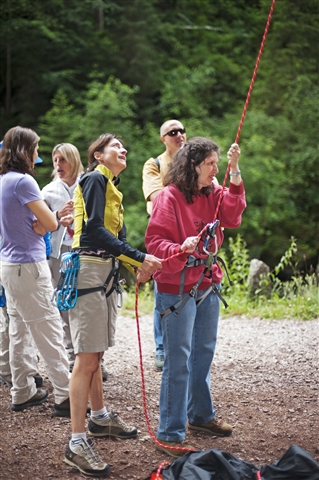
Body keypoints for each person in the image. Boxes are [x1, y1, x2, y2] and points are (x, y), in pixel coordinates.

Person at [64, 133, 162, 477]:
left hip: (104, 273)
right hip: (89, 270)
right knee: (87, 357)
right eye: (115, 146)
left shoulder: (112, 187)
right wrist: (139, 257)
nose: (123, 150)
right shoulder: (93, 178)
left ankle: (100, 418)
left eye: (124, 147)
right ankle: (76, 442)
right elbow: (93, 229)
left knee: (97, 353)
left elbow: (116, 238)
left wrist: (140, 265)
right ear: (98, 154)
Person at [145, 137, 246, 457]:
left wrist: (234, 172)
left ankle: (200, 416)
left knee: (202, 353)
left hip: (207, 283)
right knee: (178, 361)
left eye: (218, 164)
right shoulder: (169, 197)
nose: (216, 169)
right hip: (176, 286)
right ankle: (169, 433)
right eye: (211, 164)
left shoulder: (213, 192)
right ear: (193, 165)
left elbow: (232, 216)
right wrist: (180, 248)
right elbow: (155, 243)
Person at [0, 126, 71, 416]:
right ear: (24, 150)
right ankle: (67, 396)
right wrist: (57, 215)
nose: (38, 154)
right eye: (36, 148)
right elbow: (49, 225)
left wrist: (42, 220)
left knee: (19, 331)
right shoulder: (24, 182)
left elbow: (32, 223)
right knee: (50, 328)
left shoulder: (4, 179)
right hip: (29, 266)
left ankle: (23, 391)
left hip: (9, 266)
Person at [142, 119, 187, 370]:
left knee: (194, 285)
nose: (179, 135)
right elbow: (156, 195)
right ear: (163, 138)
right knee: (163, 288)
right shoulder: (154, 164)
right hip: (164, 234)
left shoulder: (194, 162)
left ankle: (185, 345)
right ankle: (161, 347)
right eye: (172, 132)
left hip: (190, 233)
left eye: (181, 130)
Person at [42, 143, 85, 373]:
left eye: (63, 160)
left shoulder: (89, 183)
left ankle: (94, 356)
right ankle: (72, 355)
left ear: (74, 160)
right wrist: (57, 218)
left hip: (84, 251)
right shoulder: (47, 191)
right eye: (55, 160)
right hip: (59, 254)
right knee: (64, 303)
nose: (58, 165)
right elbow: (36, 225)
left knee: (86, 301)